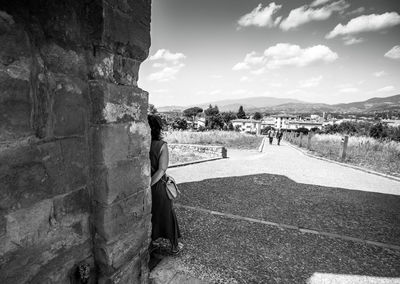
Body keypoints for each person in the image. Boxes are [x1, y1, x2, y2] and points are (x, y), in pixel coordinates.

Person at [148, 114, 182, 255]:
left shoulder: (140, 144)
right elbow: (162, 169)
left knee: (151, 215)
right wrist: (150, 185)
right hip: (157, 187)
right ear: (158, 128)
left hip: (142, 187)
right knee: (167, 215)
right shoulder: (161, 145)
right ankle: (174, 246)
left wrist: (145, 186)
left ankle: (150, 243)